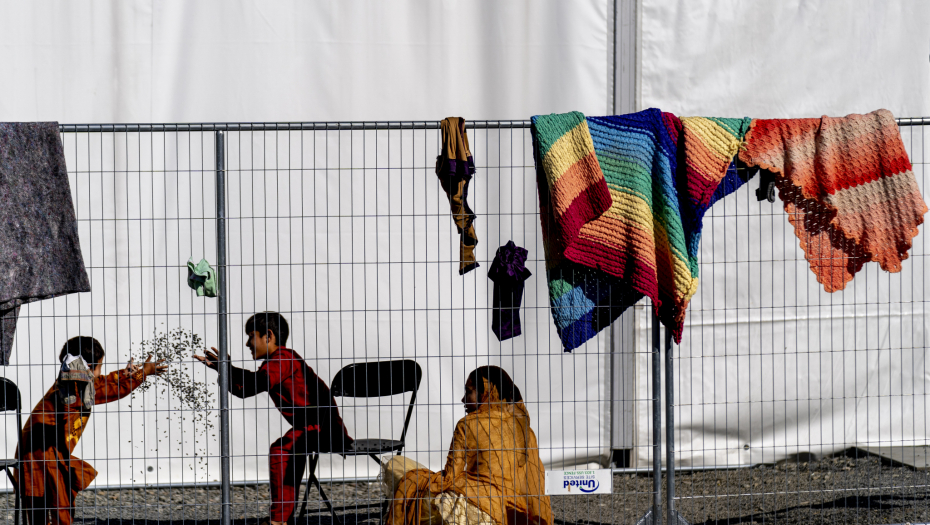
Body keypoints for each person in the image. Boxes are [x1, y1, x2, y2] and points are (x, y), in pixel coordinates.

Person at [195, 311, 353, 525]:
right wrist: (226, 369)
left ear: (268, 335)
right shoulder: (279, 361)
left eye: (251, 336)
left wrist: (227, 369)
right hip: (317, 428)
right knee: (286, 446)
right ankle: (282, 517)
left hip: (321, 428)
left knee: (282, 449)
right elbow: (246, 388)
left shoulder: (282, 360)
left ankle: (279, 520)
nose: (247, 343)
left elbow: (253, 385)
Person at [17, 336, 167, 525]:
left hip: (38, 452)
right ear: (87, 367)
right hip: (46, 455)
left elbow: (102, 382)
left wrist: (124, 373)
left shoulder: (72, 386)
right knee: (60, 505)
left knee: (40, 504)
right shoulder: (76, 391)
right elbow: (115, 390)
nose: (101, 371)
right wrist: (144, 372)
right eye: (100, 365)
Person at [383, 366, 552, 525]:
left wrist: (417, 482)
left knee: (396, 465)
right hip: (514, 514)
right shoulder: (524, 428)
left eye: (468, 392)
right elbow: (534, 481)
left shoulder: (468, 423)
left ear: (485, 393)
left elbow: (448, 478)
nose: (463, 399)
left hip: (475, 511)